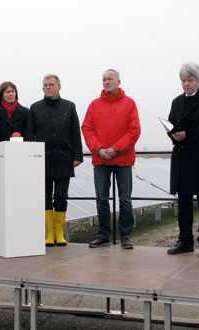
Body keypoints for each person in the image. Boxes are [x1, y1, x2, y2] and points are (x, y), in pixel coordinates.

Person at [81, 69, 141, 249]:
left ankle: (126, 235)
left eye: (110, 79)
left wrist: (116, 149)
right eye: (104, 79)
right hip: (100, 160)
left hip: (123, 159)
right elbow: (87, 128)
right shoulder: (94, 105)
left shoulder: (129, 103)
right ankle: (103, 235)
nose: (107, 82)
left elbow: (134, 130)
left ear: (118, 81)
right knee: (101, 198)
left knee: (125, 199)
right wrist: (98, 149)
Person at [166, 62, 199, 258]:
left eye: (190, 80)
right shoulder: (176, 102)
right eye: (183, 80)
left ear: (198, 80)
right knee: (184, 203)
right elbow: (172, 126)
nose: (186, 84)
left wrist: (188, 134)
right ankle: (185, 240)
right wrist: (173, 134)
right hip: (182, 159)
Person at [25, 74, 83, 247]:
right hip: (42, 159)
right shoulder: (34, 108)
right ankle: (49, 234)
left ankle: (60, 233)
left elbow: (75, 133)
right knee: (44, 197)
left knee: (61, 196)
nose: (48, 88)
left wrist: (77, 156)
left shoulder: (69, 106)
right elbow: (29, 136)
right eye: (45, 85)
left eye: (51, 84)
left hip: (65, 158)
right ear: (42, 88)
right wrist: (30, 158)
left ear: (59, 86)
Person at [0, 82, 29, 192]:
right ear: (2, 94)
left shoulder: (25, 112)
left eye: (13, 91)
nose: (11, 94)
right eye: (7, 92)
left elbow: (28, 134)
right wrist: (1, 149)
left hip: (19, 159)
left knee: (18, 190)